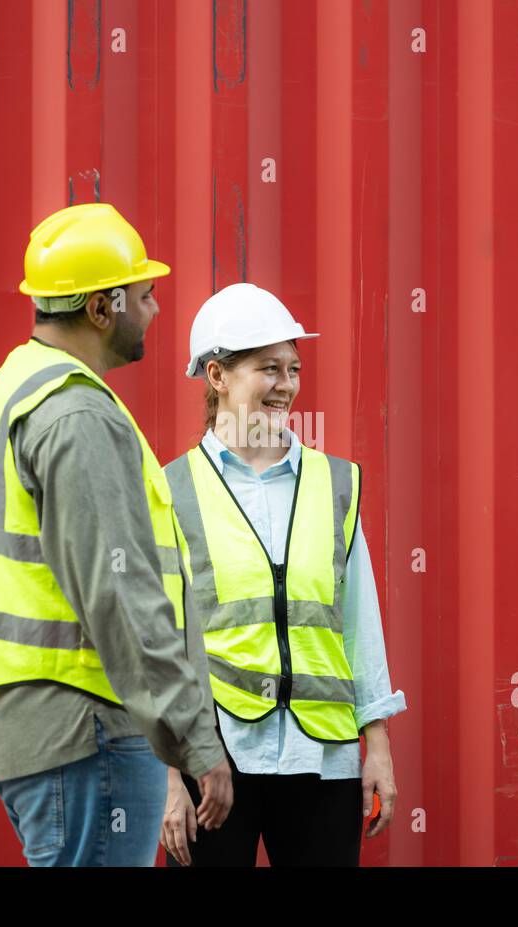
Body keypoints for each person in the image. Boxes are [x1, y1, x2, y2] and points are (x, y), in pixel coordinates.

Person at [0, 203, 233, 866]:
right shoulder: (75, 414)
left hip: (32, 721)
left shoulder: (14, 385)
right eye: (145, 294)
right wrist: (197, 742)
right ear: (102, 308)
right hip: (82, 722)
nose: (156, 309)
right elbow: (121, 594)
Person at [158, 283, 405, 867]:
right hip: (214, 760)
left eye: (293, 368)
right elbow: (159, 645)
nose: (287, 385)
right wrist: (168, 776)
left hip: (322, 759)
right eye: (268, 368)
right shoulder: (172, 490)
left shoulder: (334, 482)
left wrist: (379, 748)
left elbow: (358, 623)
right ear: (217, 376)